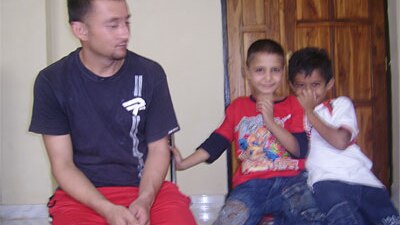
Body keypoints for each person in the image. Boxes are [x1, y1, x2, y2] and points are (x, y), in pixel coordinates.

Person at [28, 0, 197, 225]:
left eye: (127, 22)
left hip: (145, 189)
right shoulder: (52, 81)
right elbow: (63, 165)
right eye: (113, 25)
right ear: (80, 30)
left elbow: (158, 149)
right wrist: (106, 209)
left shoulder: (150, 74)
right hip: (82, 196)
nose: (125, 33)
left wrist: (145, 200)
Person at [172, 39, 325, 225]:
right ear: (247, 73)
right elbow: (217, 142)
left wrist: (270, 121)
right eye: (260, 70)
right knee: (229, 220)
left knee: (313, 220)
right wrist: (183, 163)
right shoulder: (238, 107)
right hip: (250, 186)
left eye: (275, 70)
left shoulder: (294, 104)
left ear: (283, 72)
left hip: (292, 183)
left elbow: (299, 150)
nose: (268, 77)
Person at [288, 47, 400, 225]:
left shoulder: (339, 105)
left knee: (389, 220)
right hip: (327, 183)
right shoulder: (295, 115)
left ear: (329, 84)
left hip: (365, 180)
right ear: (293, 87)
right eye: (301, 86)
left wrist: (310, 112)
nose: (308, 93)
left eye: (315, 85)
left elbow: (340, 141)